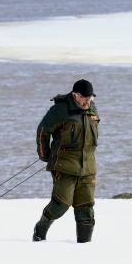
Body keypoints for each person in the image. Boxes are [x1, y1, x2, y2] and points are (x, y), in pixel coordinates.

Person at [32, 79, 99, 243]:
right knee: (61, 205)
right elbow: (43, 131)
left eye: (90, 98)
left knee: (86, 209)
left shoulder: (92, 109)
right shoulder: (60, 110)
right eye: (85, 98)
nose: (88, 101)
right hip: (64, 166)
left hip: (87, 167)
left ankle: (84, 246)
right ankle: (40, 230)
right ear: (75, 95)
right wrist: (45, 155)